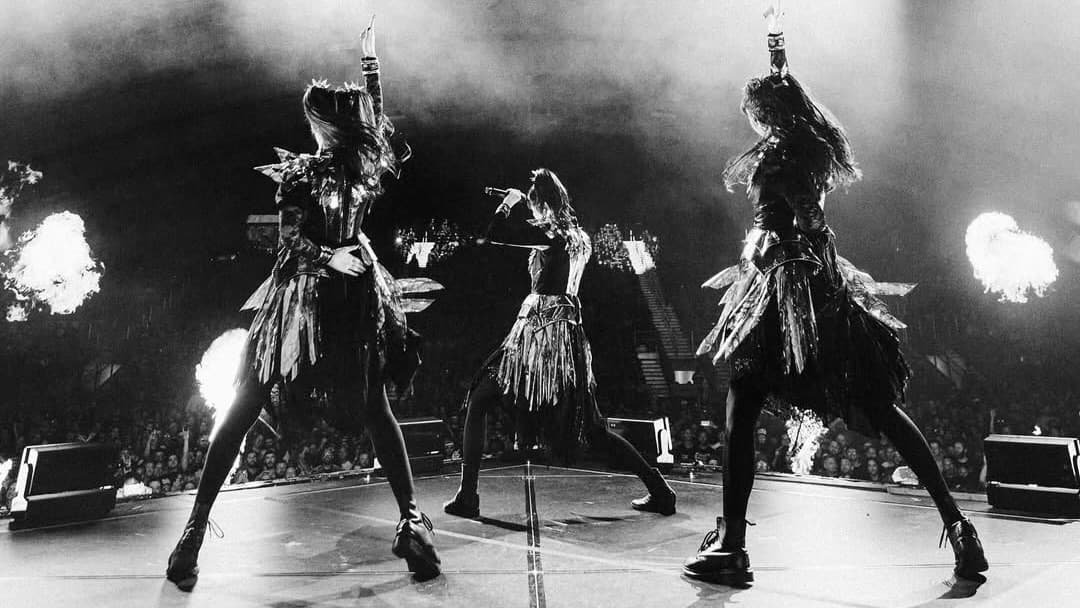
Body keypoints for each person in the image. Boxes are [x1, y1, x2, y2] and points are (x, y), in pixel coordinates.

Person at [684, 1, 987, 586]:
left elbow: (806, 220)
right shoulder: (806, 144)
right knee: (879, 411)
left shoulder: (785, 155)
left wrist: (789, 253)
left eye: (755, 113)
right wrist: (775, 42)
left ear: (768, 114)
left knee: (743, 405)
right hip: (811, 284)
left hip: (788, 291)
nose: (751, 122)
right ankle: (960, 528)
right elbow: (783, 87)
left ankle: (732, 546)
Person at [165, 18, 440, 590]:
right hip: (346, 290)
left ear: (319, 126)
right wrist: (371, 64)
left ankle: (193, 531)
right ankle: (412, 519)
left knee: (252, 402)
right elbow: (375, 121)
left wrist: (326, 257)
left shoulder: (309, 173)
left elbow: (290, 239)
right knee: (368, 407)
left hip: (311, 294)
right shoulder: (359, 166)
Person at [443, 169, 676, 518]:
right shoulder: (578, 236)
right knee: (592, 428)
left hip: (540, 336)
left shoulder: (550, 234)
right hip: (567, 338)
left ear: (540, 202)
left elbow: (493, 235)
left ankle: (468, 496)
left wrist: (509, 203)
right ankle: (659, 489)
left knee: (480, 398)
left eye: (532, 200)